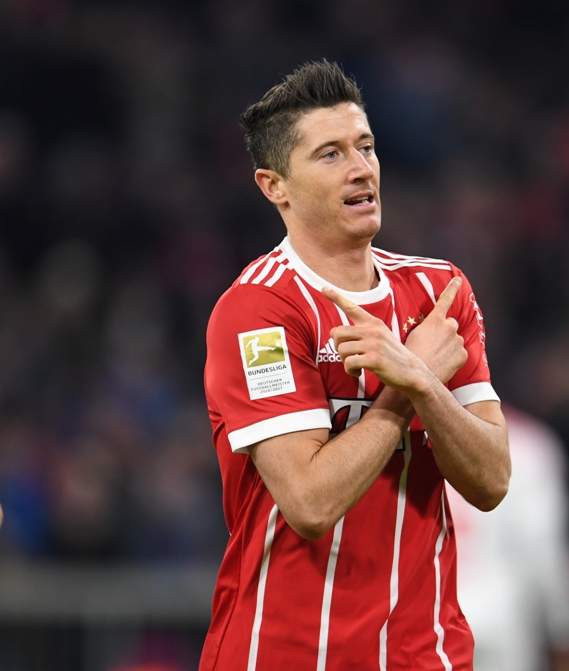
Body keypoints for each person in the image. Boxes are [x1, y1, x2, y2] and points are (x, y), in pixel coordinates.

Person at [201, 61, 510, 670]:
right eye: (330, 154)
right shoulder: (259, 309)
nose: (361, 168)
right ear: (274, 186)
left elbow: (492, 480)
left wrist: (424, 383)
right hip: (285, 652)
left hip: (426, 654)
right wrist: (402, 392)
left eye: (365, 147)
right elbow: (311, 504)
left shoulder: (439, 292)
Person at [447, 407, 569, 671]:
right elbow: (544, 551)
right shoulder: (527, 445)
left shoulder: (404, 435)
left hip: (425, 624)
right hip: (500, 625)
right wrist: (566, 633)